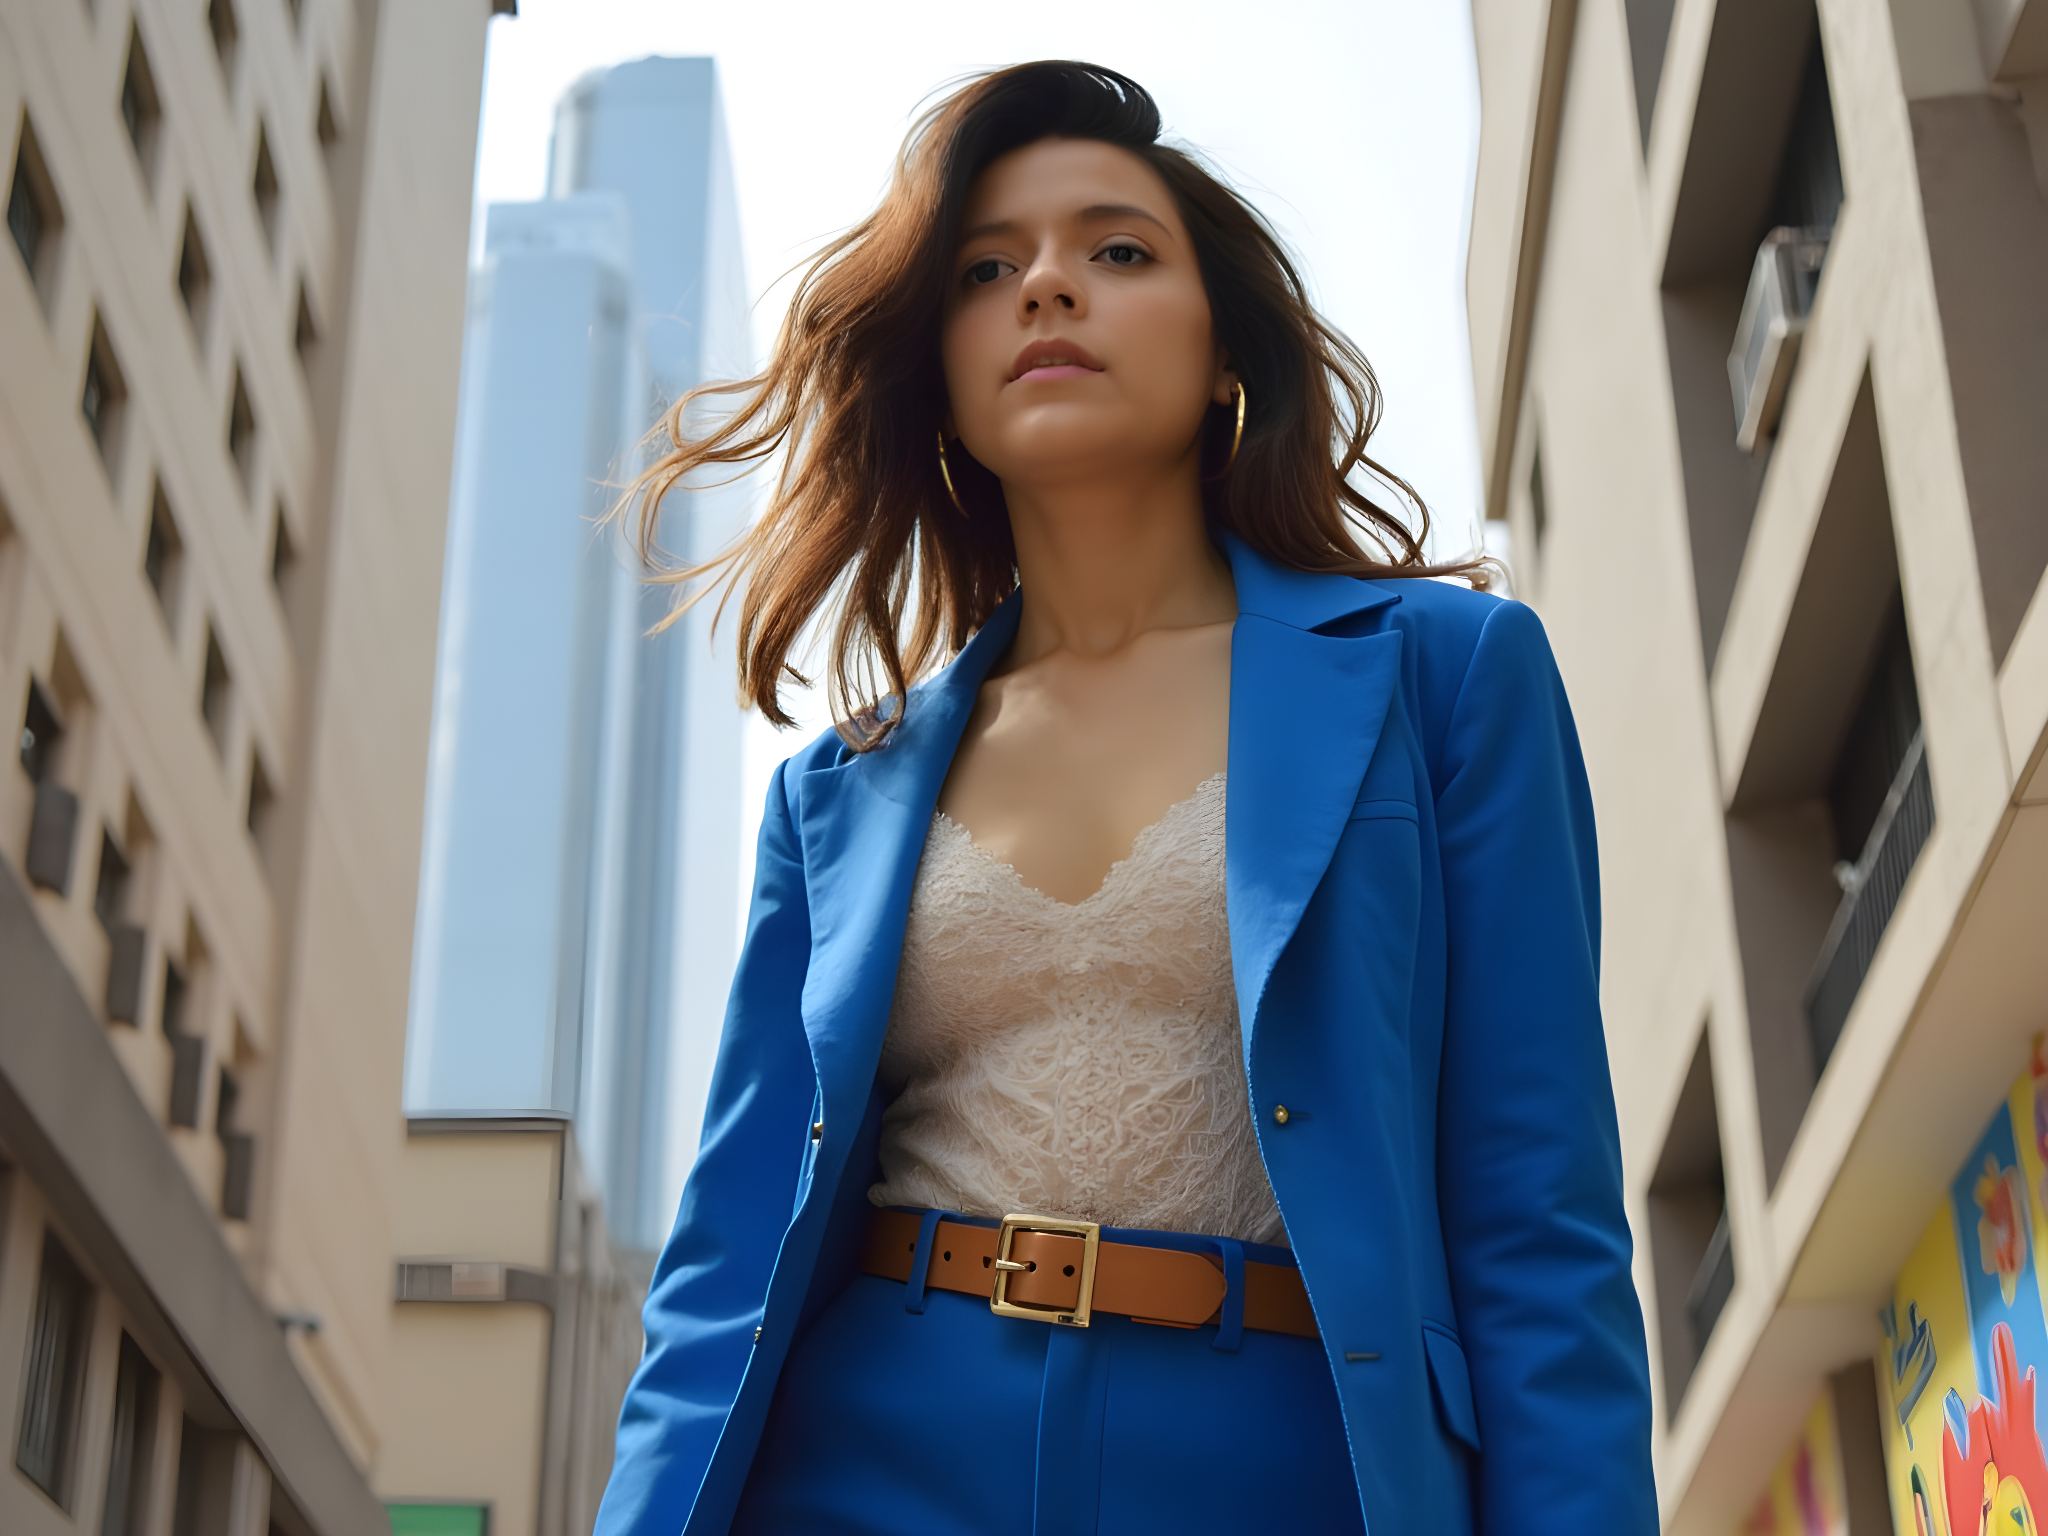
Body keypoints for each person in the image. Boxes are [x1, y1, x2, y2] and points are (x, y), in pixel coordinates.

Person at [593, 60, 1655, 1536]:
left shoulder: (1448, 678)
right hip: (873, 1455)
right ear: (942, 372)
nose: (1046, 285)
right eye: (987, 269)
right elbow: (722, 1267)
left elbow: (1539, 1221)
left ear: (1224, 349)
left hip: (1290, 1463)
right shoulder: (837, 791)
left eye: (1118, 250)